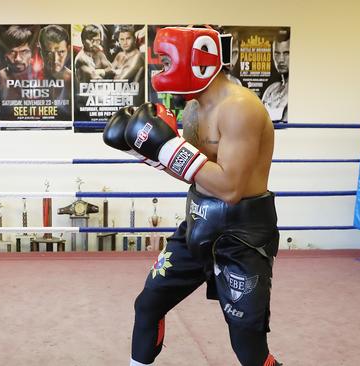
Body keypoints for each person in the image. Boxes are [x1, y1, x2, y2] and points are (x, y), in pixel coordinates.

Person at [103, 26, 282, 366]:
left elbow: (230, 188)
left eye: (168, 59)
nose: (162, 69)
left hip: (242, 237)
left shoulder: (240, 107)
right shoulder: (193, 110)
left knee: (247, 344)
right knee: (148, 304)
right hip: (198, 224)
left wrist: (168, 146)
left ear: (196, 58)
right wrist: (146, 152)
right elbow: (194, 173)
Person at [0, 25, 39, 100]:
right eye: (12, 52)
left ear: (32, 53)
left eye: (24, 52)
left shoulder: (44, 76)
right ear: (5, 54)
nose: (18, 59)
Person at [38, 24, 72, 101]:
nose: (55, 60)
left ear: (68, 50)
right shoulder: (30, 79)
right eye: (49, 53)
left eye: (61, 52)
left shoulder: (74, 80)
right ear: (41, 52)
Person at [262, 33, 290, 122]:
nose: (281, 59)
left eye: (286, 53)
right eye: (277, 53)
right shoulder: (271, 89)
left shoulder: (297, 91)